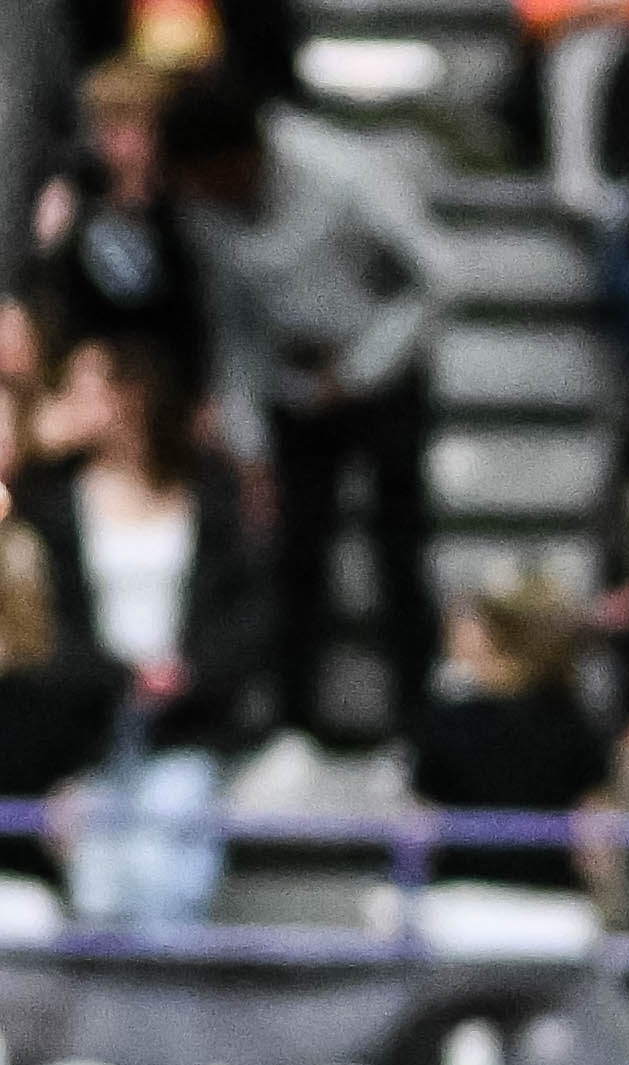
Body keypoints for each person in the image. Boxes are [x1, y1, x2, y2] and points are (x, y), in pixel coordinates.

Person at [160, 70, 446, 750]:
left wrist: (358, 371)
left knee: (398, 549)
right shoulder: (202, 208)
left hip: (381, 373)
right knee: (294, 554)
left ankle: (417, 719)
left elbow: (432, 279)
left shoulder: (343, 172)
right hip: (291, 389)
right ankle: (293, 722)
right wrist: (249, 443)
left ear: (242, 158)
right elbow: (231, 325)